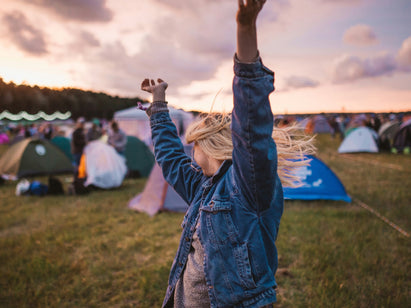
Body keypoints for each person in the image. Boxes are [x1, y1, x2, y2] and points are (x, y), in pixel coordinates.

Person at [139, 0, 315, 307]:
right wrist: (158, 105)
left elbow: (252, 129)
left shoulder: (246, 188)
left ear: (209, 145)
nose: (188, 151)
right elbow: (169, 158)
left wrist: (245, 31)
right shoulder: (202, 187)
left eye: (193, 144)